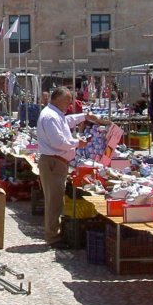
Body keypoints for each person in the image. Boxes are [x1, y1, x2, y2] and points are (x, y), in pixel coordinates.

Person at [36, 86, 110, 247]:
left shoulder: (56, 114)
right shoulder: (50, 117)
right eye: (68, 100)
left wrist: (84, 116)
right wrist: (78, 143)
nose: (70, 104)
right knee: (54, 201)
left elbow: (67, 121)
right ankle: (52, 237)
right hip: (53, 163)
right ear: (58, 99)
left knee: (56, 200)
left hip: (57, 163)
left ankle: (54, 233)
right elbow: (59, 142)